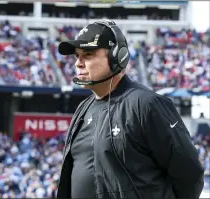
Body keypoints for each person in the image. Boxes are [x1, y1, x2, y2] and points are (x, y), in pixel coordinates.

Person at [56, 19, 204, 199]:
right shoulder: (83, 109)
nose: (78, 63)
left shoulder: (147, 104)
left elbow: (189, 175)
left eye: (88, 54)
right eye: (76, 56)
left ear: (116, 56)